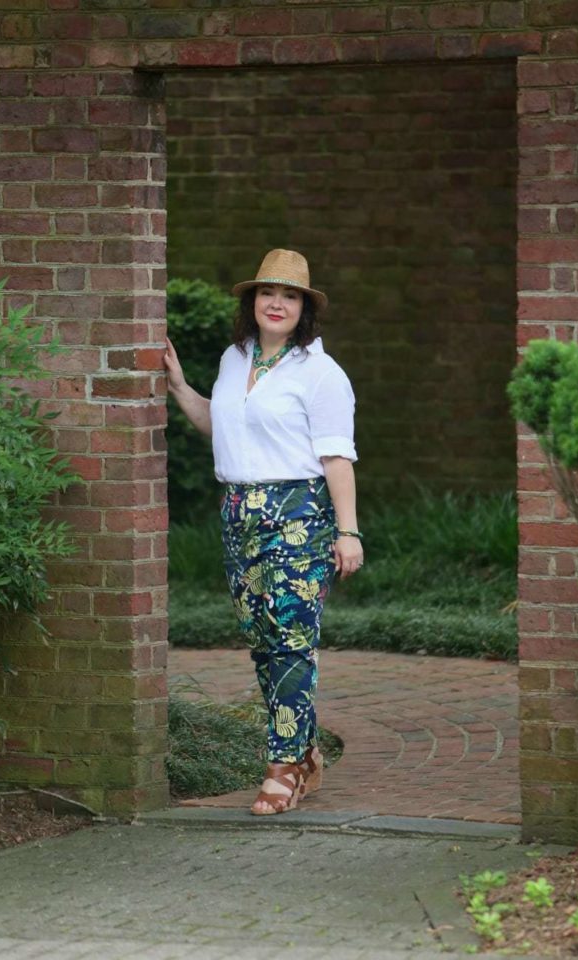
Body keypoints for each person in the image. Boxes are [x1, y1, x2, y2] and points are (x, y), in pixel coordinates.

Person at [163, 248, 363, 816]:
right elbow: (222, 428)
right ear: (252, 302)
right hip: (239, 513)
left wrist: (348, 533)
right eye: (268, 293)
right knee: (263, 643)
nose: (277, 303)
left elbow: (337, 459)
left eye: (291, 296)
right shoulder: (234, 358)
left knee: (291, 641)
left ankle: (284, 769)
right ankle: (307, 750)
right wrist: (179, 387)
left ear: (305, 309)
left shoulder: (321, 374)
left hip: (298, 513)